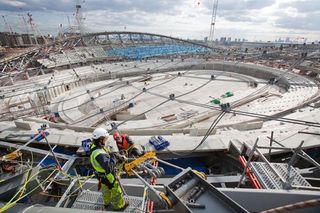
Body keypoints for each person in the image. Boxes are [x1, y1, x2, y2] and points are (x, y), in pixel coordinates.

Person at [90, 128, 128, 211]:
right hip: (108, 176)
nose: (106, 140)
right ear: (100, 139)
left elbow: (105, 152)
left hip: (101, 176)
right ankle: (119, 207)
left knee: (105, 190)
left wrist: (115, 155)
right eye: (105, 139)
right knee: (116, 191)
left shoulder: (94, 147)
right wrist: (114, 157)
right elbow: (109, 167)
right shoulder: (100, 155)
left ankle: (107, 204)